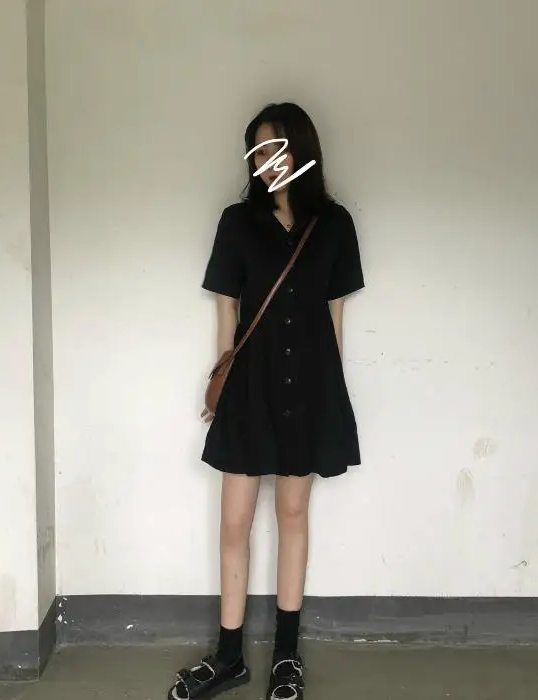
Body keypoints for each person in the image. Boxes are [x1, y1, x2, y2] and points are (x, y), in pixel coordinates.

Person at [167, 102, 365, 700]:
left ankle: (286, 656)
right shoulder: (237, 222)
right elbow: (227, 309)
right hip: (250, 387)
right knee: (235, 520)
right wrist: (222, 380)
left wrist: (332, 393)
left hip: (309, 386)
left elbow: (334, 314)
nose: (266, 161)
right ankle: (229, 657)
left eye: (275, 148)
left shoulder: (334, 224)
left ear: (301, 148)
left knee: (293, 515)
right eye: (257, 151)